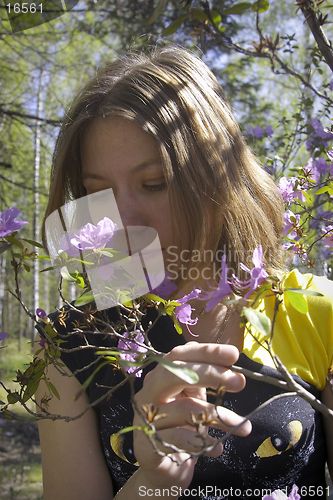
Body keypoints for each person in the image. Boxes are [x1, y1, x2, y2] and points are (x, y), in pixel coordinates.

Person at [35, 43, 333, 500]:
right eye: (99, 193)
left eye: (155, 183)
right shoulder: (69, 345)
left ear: (221, 180)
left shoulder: (315, 311)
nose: (124, 220)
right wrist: (153, 482)